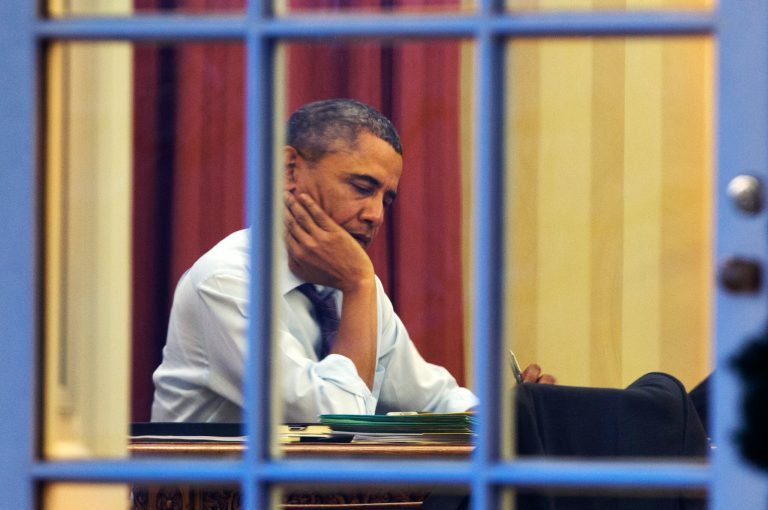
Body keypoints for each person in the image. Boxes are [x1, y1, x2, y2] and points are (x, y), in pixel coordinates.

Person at [151, 98, 552, 423]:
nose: (376, 214)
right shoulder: (226, 280)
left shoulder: (351, 282)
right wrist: (359, 284)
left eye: (386, 198)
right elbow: (333, 423)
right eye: (362, 188)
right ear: (290, 168)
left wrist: (516, 418)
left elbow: (433, 400)